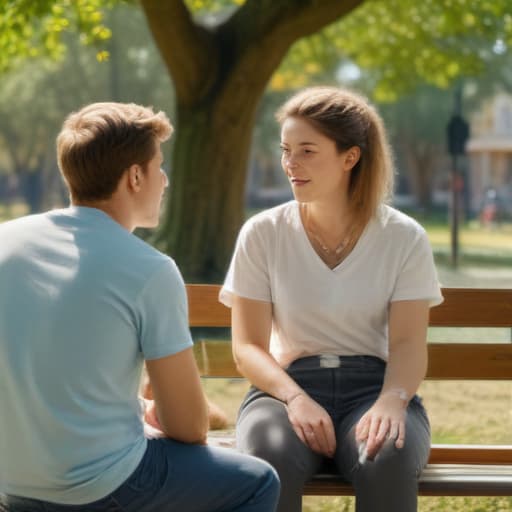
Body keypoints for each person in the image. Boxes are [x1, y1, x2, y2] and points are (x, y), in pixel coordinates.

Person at [0, 102, 279, 512]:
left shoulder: (6, 240)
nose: (164, 181)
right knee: (257, 482)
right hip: (101, 489)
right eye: (159, 166)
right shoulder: (148, 270)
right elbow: (188, 428)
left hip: (13, 484)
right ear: (134, 176)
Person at [220, 87, 443, 512]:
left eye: (307, 151)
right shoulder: (263, 233)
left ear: (350, 157)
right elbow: (247, 347)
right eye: (286, 149)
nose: (290, 163)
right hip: (285, 391)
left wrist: (392, 401)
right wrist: (295, 398)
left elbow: (409, 345)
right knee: (269, 456)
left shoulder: (403, 238)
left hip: (375, 389)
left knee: (385, 456)